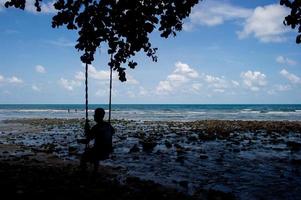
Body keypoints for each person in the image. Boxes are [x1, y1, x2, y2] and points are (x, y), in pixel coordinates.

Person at [79, 108, 115, 173]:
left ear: (97, 116)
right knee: (94, 148)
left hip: (99, 153)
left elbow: (88, 139)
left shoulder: (96, 127)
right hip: (107, 151)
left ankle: (83, 172)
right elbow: (112, 132)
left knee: (84, 157)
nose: (94, 116)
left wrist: (80, 139)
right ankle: (95, 170)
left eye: (95, 115)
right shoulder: (108, 125)